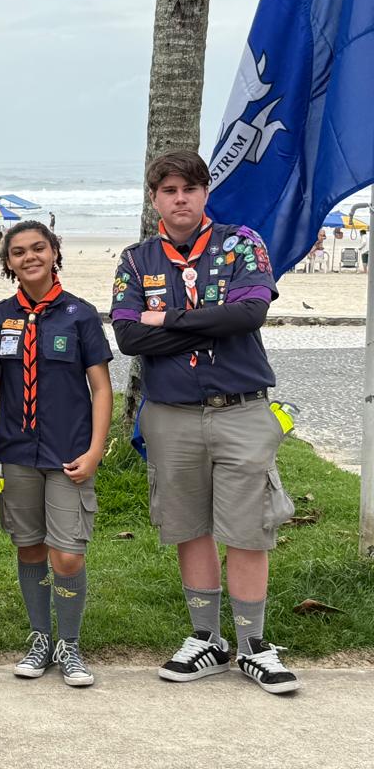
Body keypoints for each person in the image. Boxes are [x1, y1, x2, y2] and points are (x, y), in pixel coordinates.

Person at [111, 149, 298, 694]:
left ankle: (253, 645)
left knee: (249, 527)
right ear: (155, 200)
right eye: (169, 191)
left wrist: (165, 319)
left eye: (189, 189)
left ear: (205, 193)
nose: (180, 198)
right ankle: (205, 638)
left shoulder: (242, 243)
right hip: (171, 416)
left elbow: (249, 313)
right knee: (188, 525)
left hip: (240, 409)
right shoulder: (136, 258)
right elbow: (128, 336)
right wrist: (209, 324)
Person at [0, 221, 112, 687]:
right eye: (18, 252)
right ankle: (40, 638)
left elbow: (100, 387)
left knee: (68, 556)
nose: (29, 257)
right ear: (8, 262)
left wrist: (96, 450)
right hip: (16, 452)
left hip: (68, 454)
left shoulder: (80, 315)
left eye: (39, 248)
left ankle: (70, 644)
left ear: (55, 252)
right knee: (30, 547)